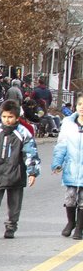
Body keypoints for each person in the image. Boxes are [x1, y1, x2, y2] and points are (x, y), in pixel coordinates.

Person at [0, 100, 40, 239]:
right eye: (4, 117)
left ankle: (11, 227)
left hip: (16, 172)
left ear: (16, 117)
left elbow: (31, 153)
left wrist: (32, 172)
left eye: (10, 117)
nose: (7, 120)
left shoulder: (23, 132)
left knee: (14, 203)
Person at [51, 93, 83, 239]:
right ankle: (71, 222)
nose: (82, 108)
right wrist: (57, 163)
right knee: (70, 197)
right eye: (80, 104)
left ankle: (79, 229)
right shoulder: (69, 124)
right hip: (72, 167)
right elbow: (61, 145)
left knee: (82, 199)